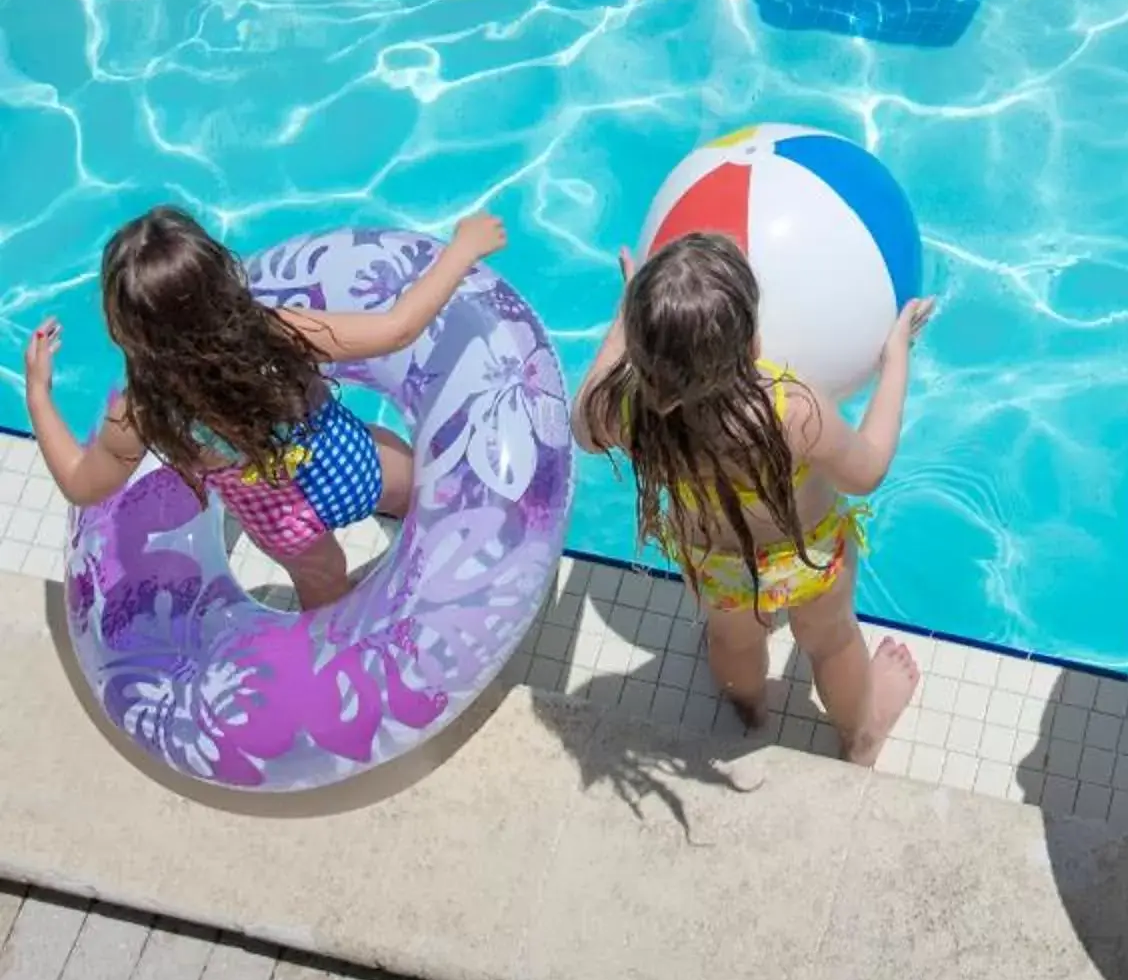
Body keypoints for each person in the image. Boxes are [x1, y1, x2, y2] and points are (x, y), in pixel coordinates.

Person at [22, 204, 506, 611]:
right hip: (352, 466)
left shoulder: (144, 411)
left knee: (326, 591)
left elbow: (81, 484)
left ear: (124, 326)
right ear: (221, 279)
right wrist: (461, 248)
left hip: (281, 522)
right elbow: (396, 329)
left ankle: (344, 645)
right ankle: (442, 574)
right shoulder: (273, 334)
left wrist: (39, 394)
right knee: (420, 496)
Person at [573, 233, 929, 766]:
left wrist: (626, 316)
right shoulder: (791, 408)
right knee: (830, 641)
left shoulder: (632, 412)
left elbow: (583, 421)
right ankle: (861, 735)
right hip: (810, 560)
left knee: (732, 640)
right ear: (754, 344)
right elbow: (868, 470)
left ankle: (750, 707)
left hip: (716, 568)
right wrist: (895, 359)